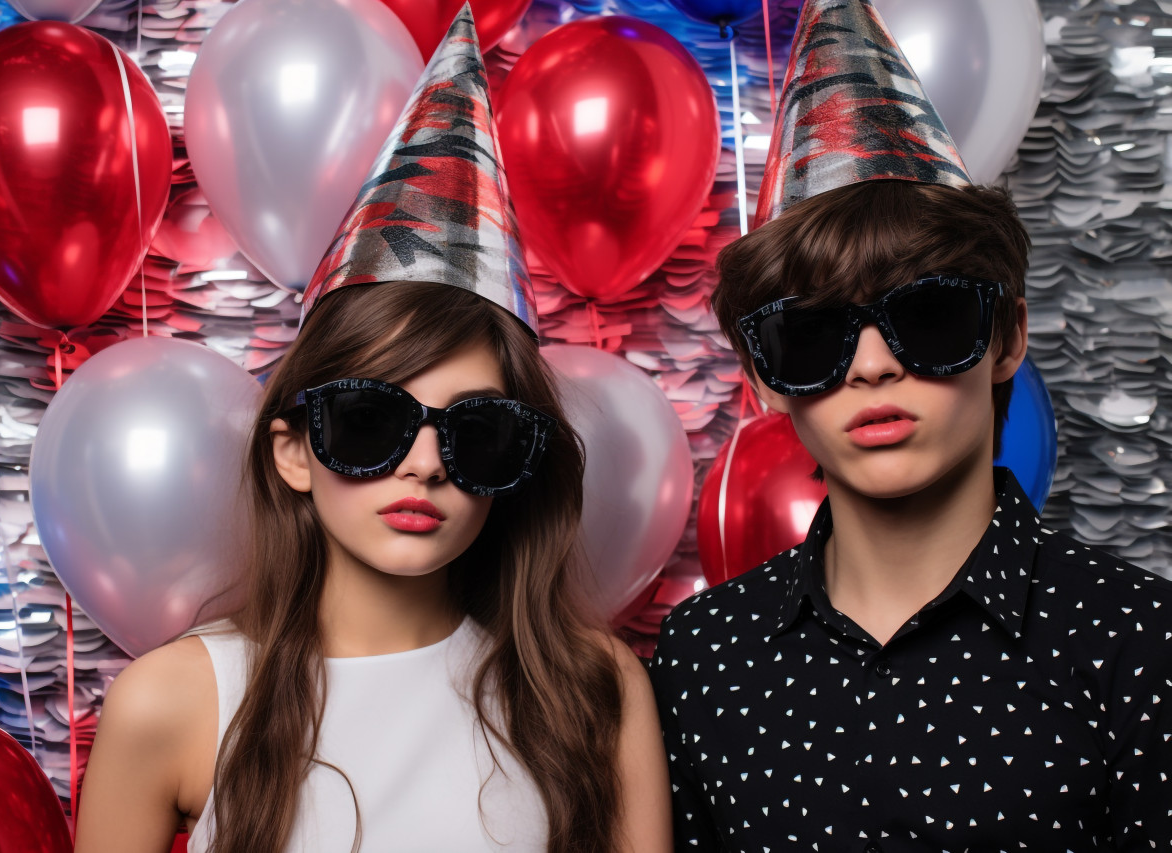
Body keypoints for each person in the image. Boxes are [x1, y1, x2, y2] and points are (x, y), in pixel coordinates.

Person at [73, 8, 671, 852]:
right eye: (370, 421)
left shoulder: (594, 686)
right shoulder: (171, 702)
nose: (425, 465)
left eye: (477, 432)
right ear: (292, 450)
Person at [648, 1, 1172, 850]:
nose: (871, 366)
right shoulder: (704, 656)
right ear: (764, 380)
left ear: (1007, 338)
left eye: (926, 317)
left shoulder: (1142, 641)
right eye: (812, 335)